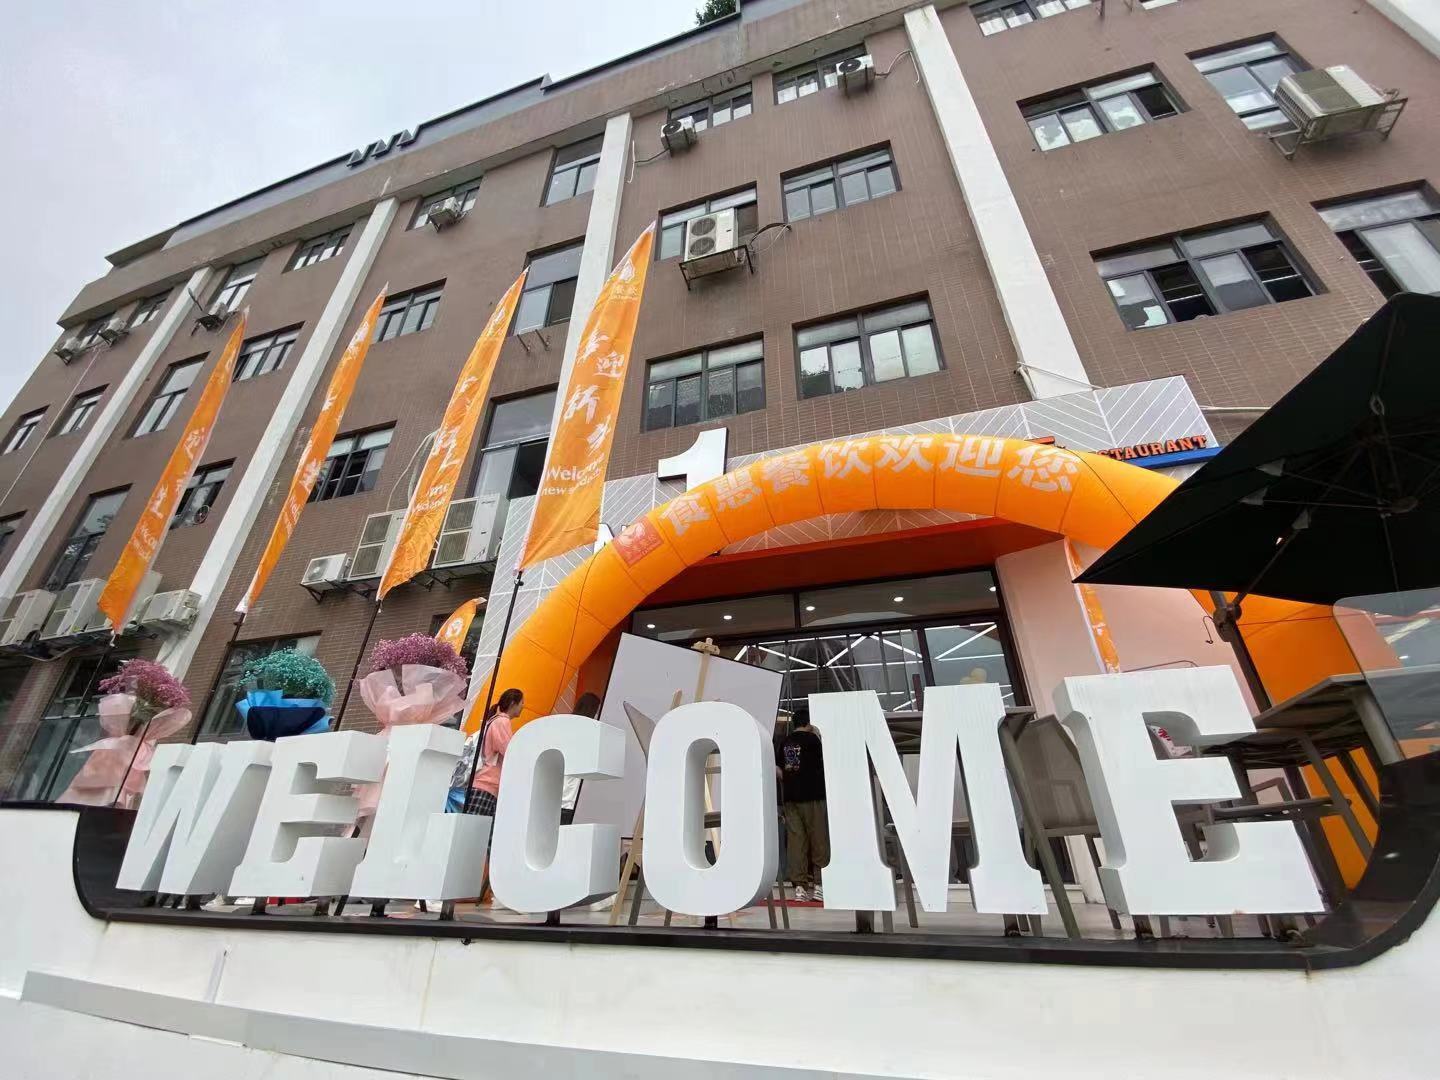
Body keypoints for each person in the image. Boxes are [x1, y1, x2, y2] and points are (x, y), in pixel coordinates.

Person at [776, 707, 828, 902]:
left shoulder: (785, 742)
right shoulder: (814, 740)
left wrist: (790, 779)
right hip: (813, 795)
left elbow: (778, 770)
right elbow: (824, 763)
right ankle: (820, 885)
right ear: (809, 723)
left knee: (796, 842)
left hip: (791, 798)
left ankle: (799, 888)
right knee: (818, 839)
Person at [465, 688, 524, 817]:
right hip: (486, 783)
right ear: (513, 703)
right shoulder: (502, 722)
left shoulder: (494, 720)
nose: (523, 706)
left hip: (482, 783)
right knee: (476, 825)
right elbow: (508, 751)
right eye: (521, 703)